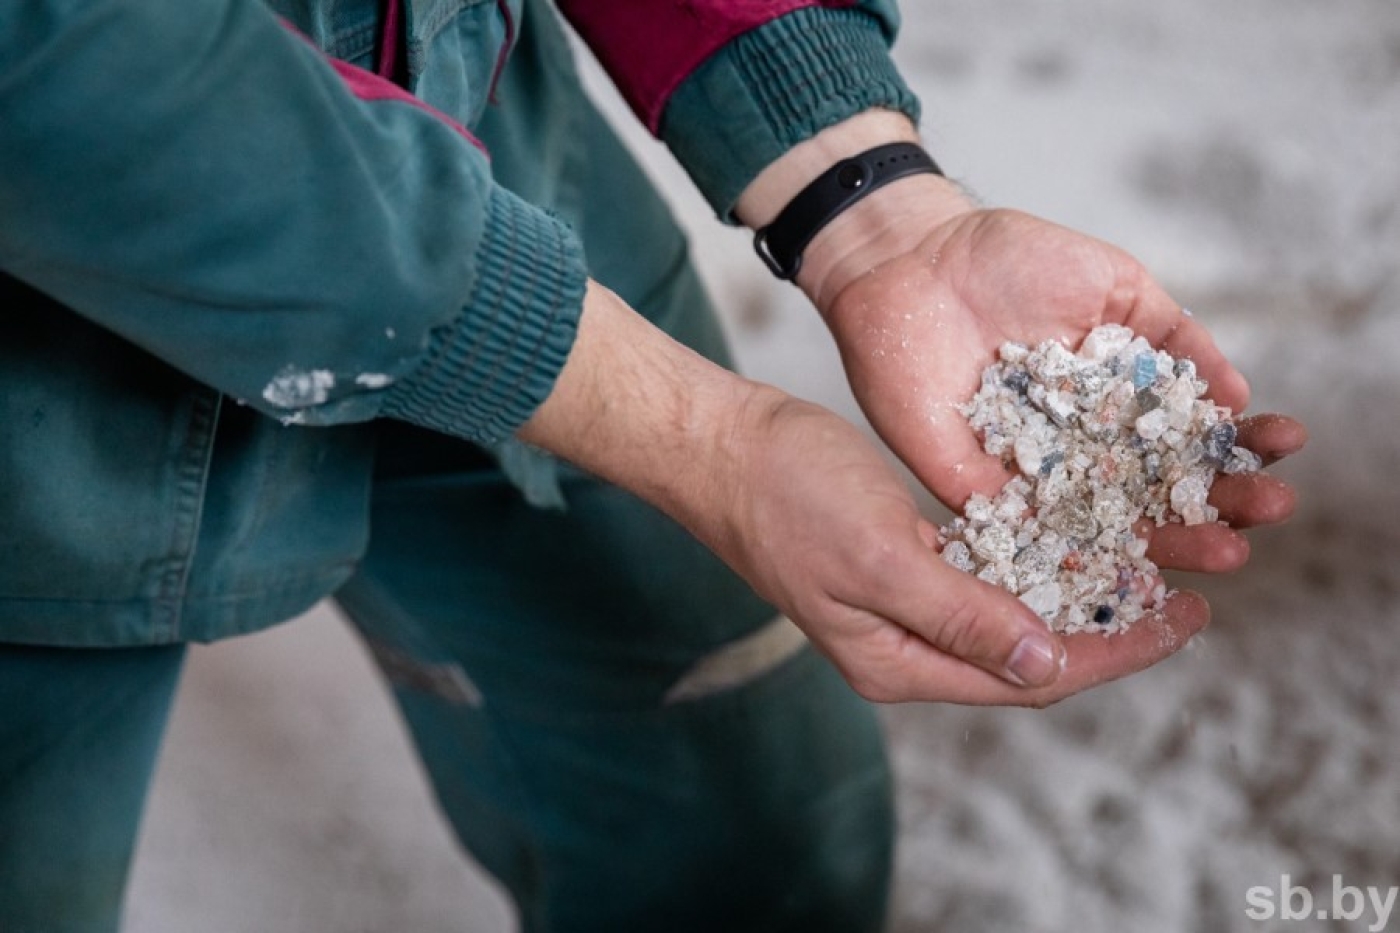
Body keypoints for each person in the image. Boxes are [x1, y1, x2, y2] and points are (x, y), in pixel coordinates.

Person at [0, 1, 1305, 930]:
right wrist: (702, 437)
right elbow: (65, 62)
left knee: (746, 807)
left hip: (455, 95)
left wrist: (869, 203)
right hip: (41, 333)